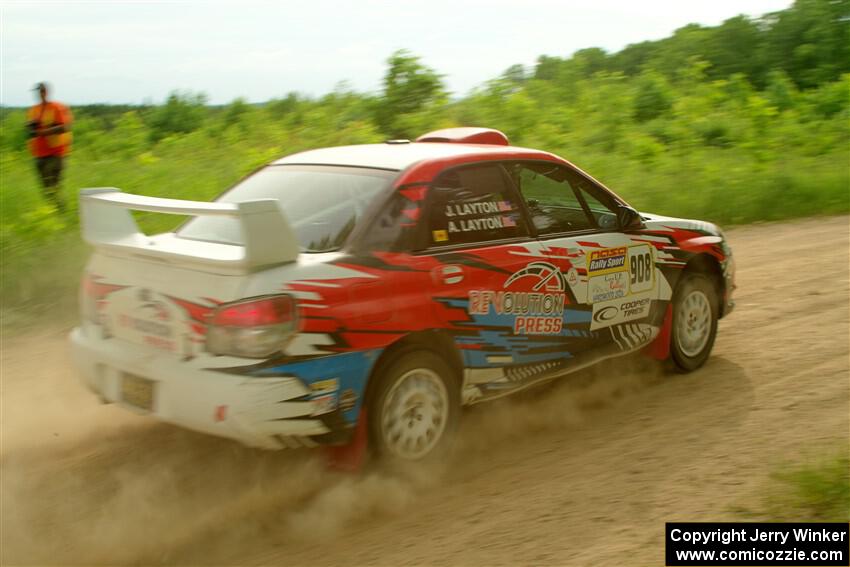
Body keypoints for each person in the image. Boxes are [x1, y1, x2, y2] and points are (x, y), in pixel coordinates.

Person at [26, 82, 73, 212]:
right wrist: (31, 127)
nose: (39, 94)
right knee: (46, 188)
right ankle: (53, 212)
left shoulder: (56, 107)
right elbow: (31, 131)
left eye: (41, 91)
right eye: (37, 91)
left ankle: (61, 212)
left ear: (46, 92)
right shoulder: (33, 110)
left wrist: (43, 131)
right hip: (39, 154)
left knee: (53, 186)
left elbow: (65, 127)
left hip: (55, 154)